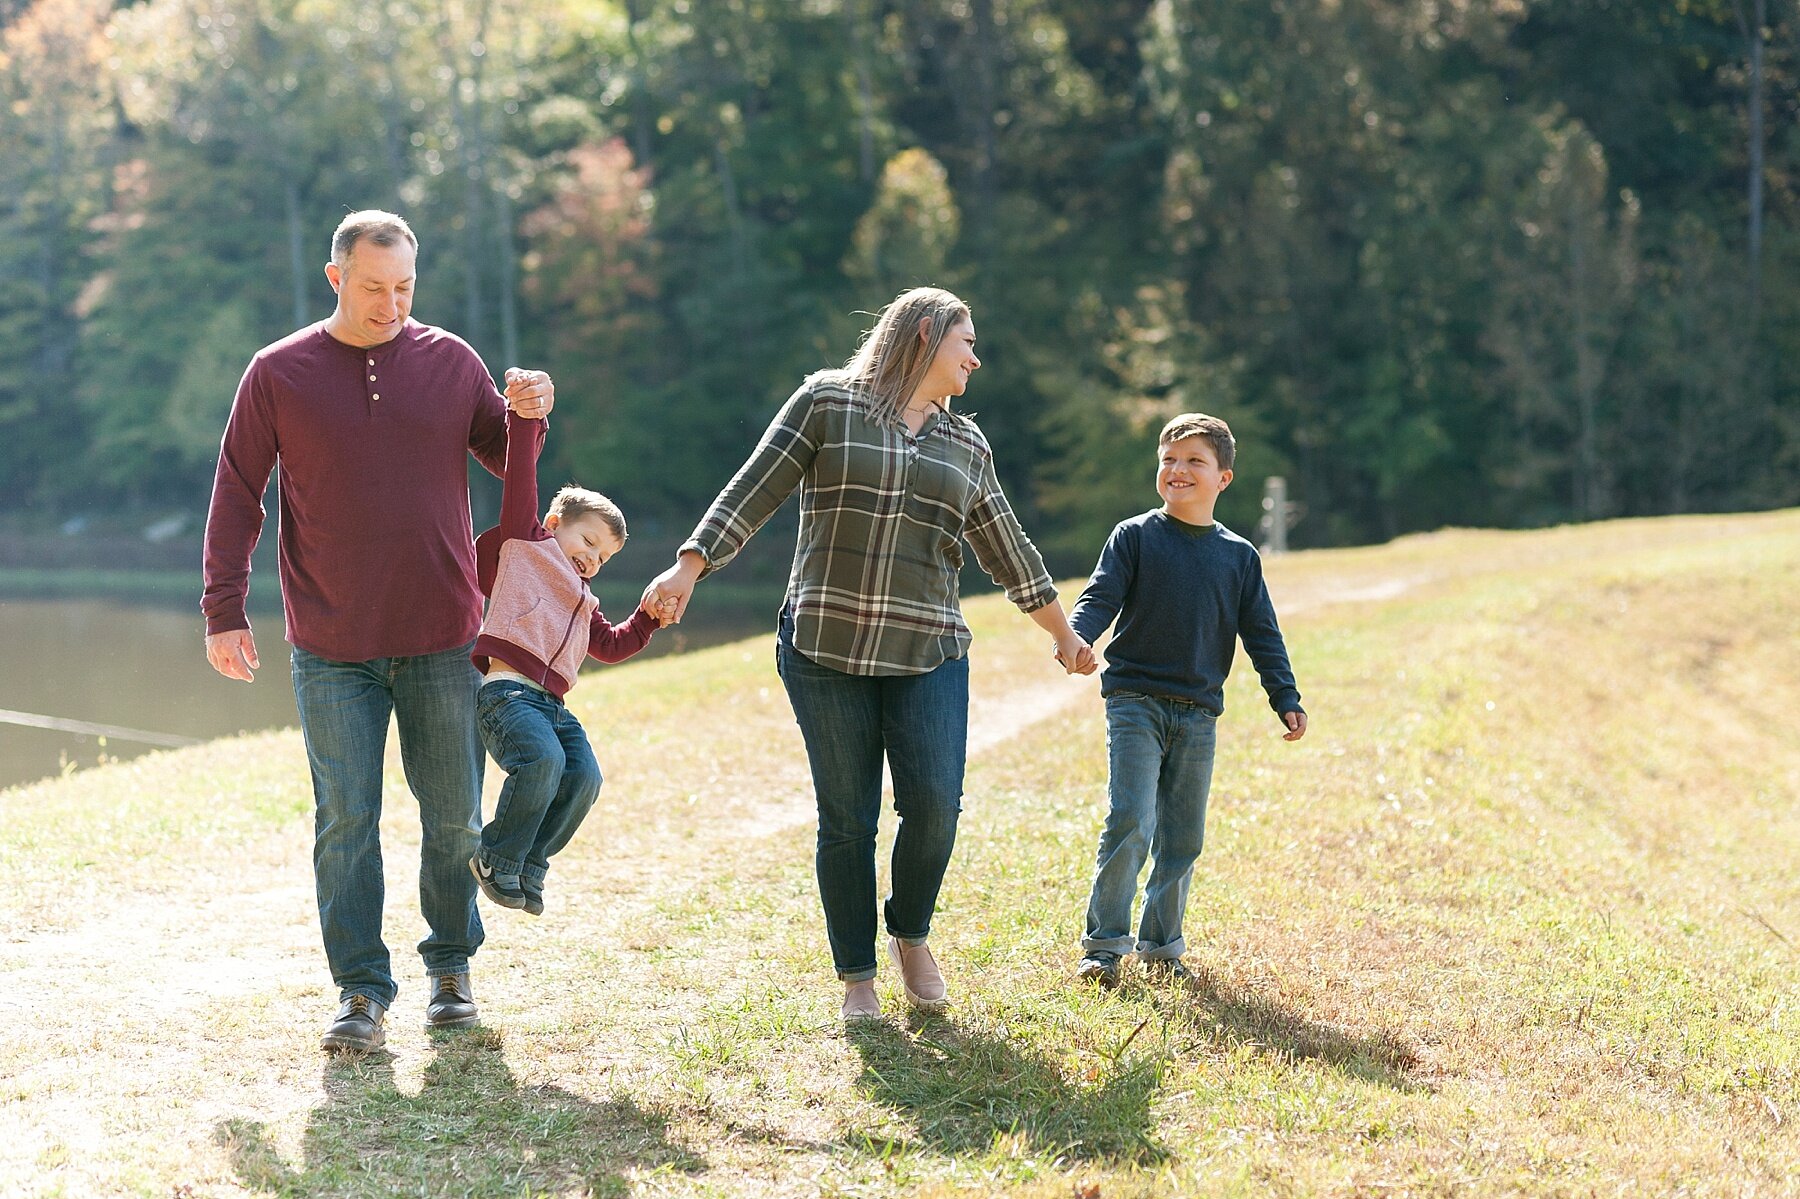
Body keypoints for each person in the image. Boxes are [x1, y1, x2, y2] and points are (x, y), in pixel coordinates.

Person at [643, 287, 1096, 1023]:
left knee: (935, 809)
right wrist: (689, 565)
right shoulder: (828, 403)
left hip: (929, 651)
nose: (975, 358)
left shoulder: (966, 445)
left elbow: (1010, 552)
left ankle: (910, 933)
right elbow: (753, 488)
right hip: (826, 646)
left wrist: (1063, 634)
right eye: (966, 342)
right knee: (847, 818)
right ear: (925, 334)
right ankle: (857, 975)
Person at [201, 209, 557, 1053]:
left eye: (403, 287)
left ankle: (451, 972)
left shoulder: (451, 361)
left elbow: (510, 468)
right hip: (331, 643)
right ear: (336, 277)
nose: (390, 303)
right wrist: (224, 608)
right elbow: (237, 489)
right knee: (346, 819)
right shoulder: (277, 372)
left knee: (456, 819)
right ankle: (360, 989)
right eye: (372, 287)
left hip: (443, 634)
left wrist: (531, 413)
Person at [1068, 412, 1306, 988]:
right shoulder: (1135, 536)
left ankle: (1161, 944)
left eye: (1194, 461)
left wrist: (1285, 695)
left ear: (1223, 477)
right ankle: (1104, 946)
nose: (1178, 470)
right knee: (1131, 817)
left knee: (1183, 834)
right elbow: (1101, 594)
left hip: (1199, 711)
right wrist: (1078, 634)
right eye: (1168, 460)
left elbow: (1262, 633)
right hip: (1135, 701)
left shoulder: (1239, 557)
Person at [467, 407, 665, 917]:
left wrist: (647, 618)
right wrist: (526, 419)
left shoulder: (586, 601)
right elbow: (520, 480)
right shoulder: (525, 547)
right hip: (507, 695)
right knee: (544, 763)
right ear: (555, 525)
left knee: (584, 777)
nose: (592, 559)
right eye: (587, 541)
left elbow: (612, 645)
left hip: (552, 705)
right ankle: (495, 856)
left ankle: (528, 864)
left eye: (603, 558)